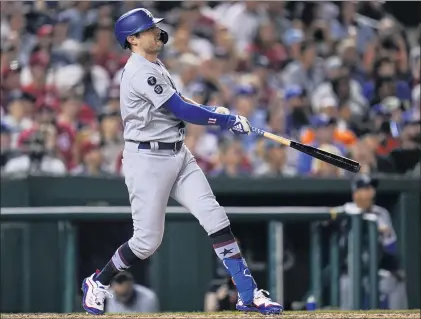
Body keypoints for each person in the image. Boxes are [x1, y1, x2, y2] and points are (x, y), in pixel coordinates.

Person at [81, 8, 282, 316]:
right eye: (148, 30)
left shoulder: (155, 64)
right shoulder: (139, 71)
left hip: (178, 154)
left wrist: (221, 111)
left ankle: (248, 293)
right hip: (147, 160)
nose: (155, 32)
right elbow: (182, 111)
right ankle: (99, 281)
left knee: (215, 218)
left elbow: (182, 102)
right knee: (147, 242)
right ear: (132, 40)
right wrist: (224, 120)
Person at [338, 174, 408, 310]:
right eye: (365, 188)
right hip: (351, 272)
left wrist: (385, 235)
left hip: (376, 270)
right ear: (356, 193)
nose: (370, 192)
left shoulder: (382, 213)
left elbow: (392, 248)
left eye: (371, 188)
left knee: (397, 282)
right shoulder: (347, 211)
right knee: (347, 286)